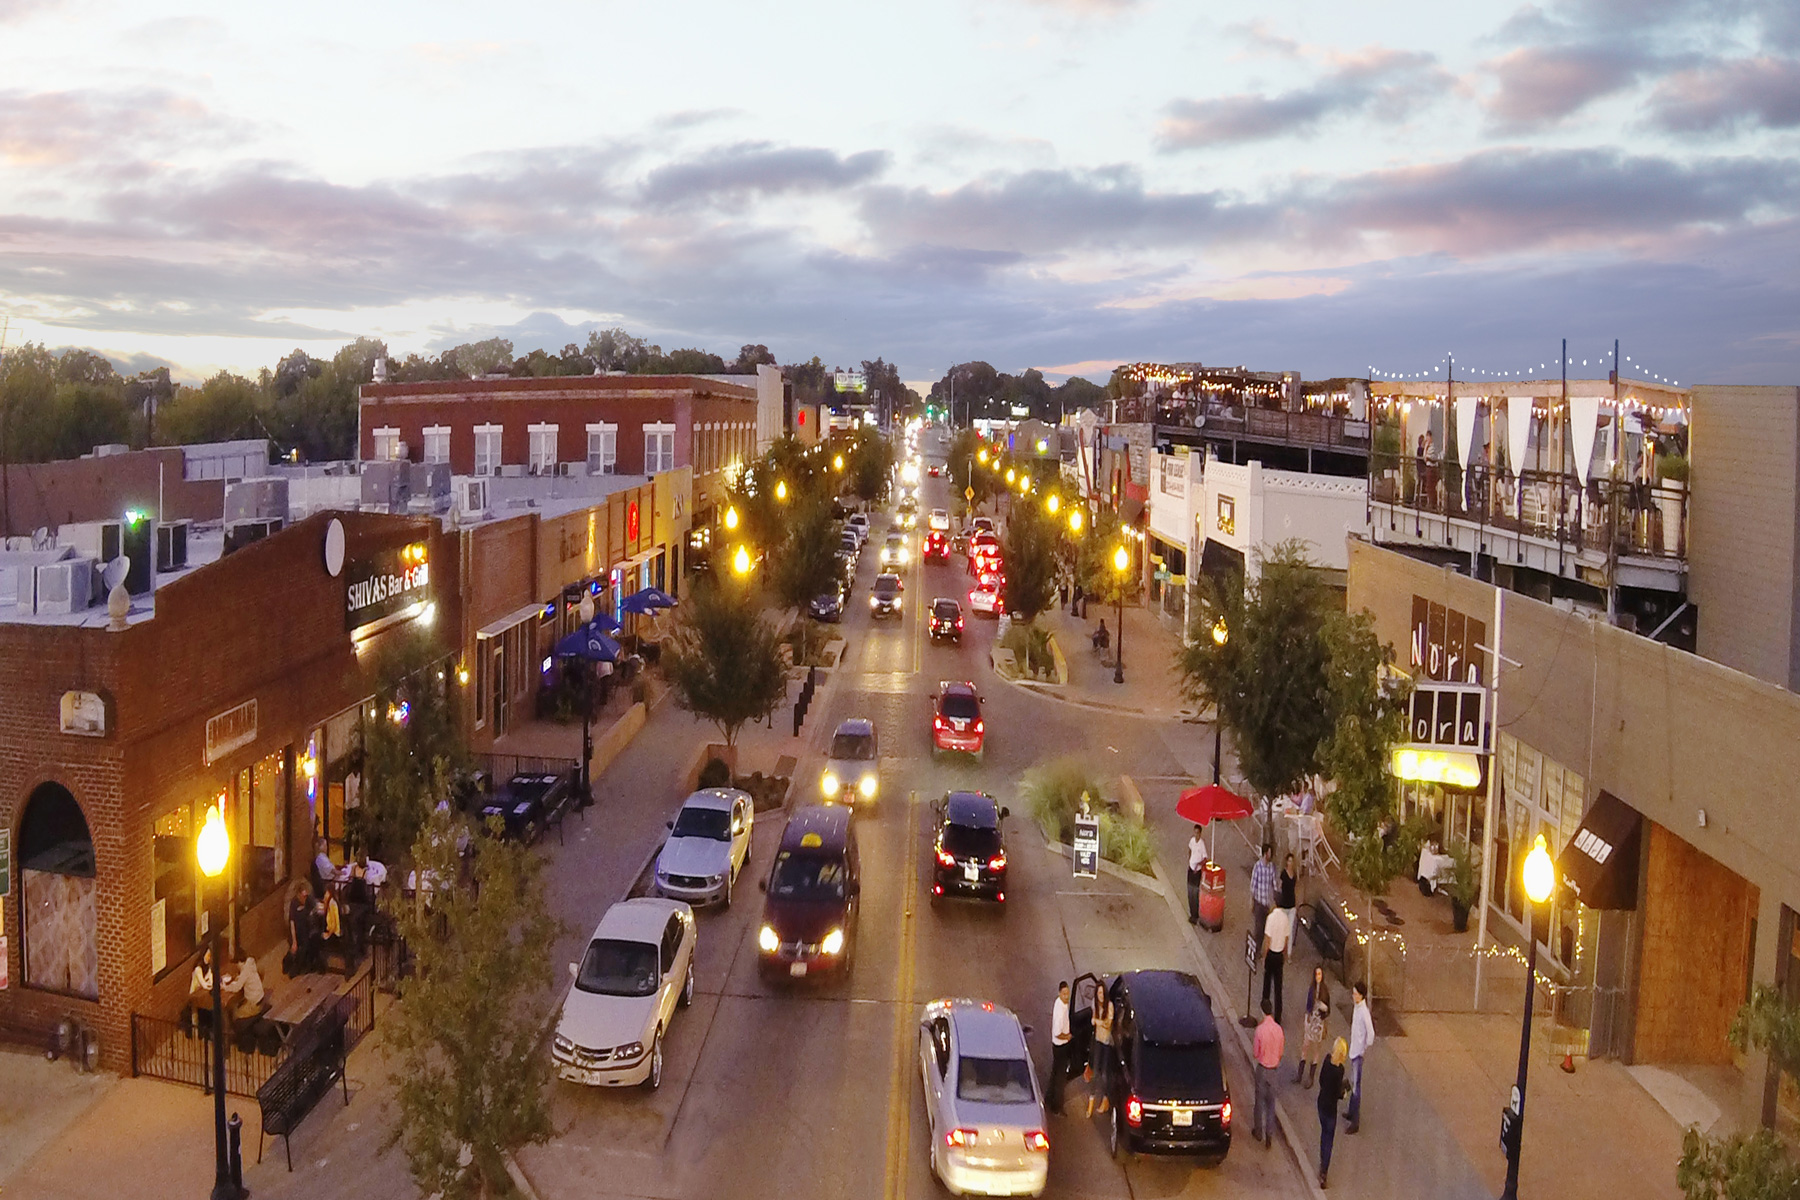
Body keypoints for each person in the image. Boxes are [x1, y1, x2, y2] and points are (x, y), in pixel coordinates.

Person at [1251, 999, 1284, 1148]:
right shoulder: (1279, 1030)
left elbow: (1255, 1053)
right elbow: (1281, 1051)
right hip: (1274, 1071)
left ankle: (1258, 1131)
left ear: (1262, 1011)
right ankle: (1269, 1134)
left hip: (1263, 1069)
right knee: (1271, 1104)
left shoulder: (1260, 1030)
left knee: (1259, 1102)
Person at [1318, 1038, 1349, 1188]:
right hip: (1331, 1109)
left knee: (1323, 1134)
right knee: (1329, 1138)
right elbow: (1337, 1093)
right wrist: (1344, 1094)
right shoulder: (1340, 1070)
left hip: (1321, 1103)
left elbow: (1321, 1080)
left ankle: (1321, 1160)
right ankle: (1324, 1170)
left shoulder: (1326, 1061)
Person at [1346, 982, 1375, 1134]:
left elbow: (1371, 1035)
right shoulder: (1357, 1008)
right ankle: (1351, 1112)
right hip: (1354, 1050)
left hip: (1357, 1053)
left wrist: (1363, 1048)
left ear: (1361, 995)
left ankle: (1355, 1122)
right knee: (1353, 1083)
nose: (1353, 995)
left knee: (1356, 1088)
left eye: (1355, 993)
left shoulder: (1363, 1012)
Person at [1297, 966, 1330, 1086]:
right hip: (1311, 1020)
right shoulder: (1312, 989)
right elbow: (1308, 1005)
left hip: (1319, 1022)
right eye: (1316, 974)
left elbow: (1328, 1010)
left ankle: (1311, 1077)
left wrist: (1323, 1007)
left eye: (1320, 974)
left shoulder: (1325, 991)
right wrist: (1307, 1018)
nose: (1318, 977)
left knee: (1316, 1049)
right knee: (1305, 1045)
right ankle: (1299, 1074)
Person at [1261, 899, 1293, 1024]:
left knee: (1267, 983)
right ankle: (1278, 1016)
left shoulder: (1271, 918)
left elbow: (1268, 939)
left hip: (1271, 954)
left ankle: (1265, 1010)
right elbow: (1286, 938)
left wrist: (1264, 956)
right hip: (1279, 954)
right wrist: (1284, 954)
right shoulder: (1285, 919)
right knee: (1278, 987)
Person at [1085, 990, 1113, 1118]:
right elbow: (1092, 1021)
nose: (1100, 996)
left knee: (1104, 1074)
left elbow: (1108, 1024)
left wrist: (1098, 1021)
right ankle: (1091, 1101)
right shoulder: (1094, 1004)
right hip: (1097, 1041)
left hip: (1106, 1043)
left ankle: (1105, 1099)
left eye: (1102, 993)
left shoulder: (1110, 1006)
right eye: (1098, 994)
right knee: (1095, 1072)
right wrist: (1096, 1021)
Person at [1049, 981, 1072, 1114]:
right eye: (1064, 993)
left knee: (1055, 1073)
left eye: (1067, 993)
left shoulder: (1059, 1002)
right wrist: (1067, 1037)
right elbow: (1058, 1033)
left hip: (1056, 1046)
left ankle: (1049, 1099)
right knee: (1060, 1078)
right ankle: (1057, 1106)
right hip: (1061, 1046)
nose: (1066, 996)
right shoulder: (1061, 1011)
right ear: (1059, 993)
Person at [1250, 844, 1277, 948]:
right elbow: (1253, 884)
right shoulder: (1257, 866)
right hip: (1258, 902)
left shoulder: (1271, 867)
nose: (1271, 855)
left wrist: (1274, 900)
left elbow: (1274, 884)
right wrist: (1251, 901)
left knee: (1265, 927)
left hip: (1267, 903)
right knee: (1258, 927)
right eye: (1269, 853)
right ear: (1266, 854)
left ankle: (1259, 946)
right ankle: (1255, 948)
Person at [235, 953, 266, 1020]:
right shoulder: (250, 963)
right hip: (259, 996)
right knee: (240, 1003)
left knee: (235, 1013)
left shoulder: (244, 972)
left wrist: (224, 986)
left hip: (255, 1004)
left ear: (239, 962)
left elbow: (236, 987)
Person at [1187, 824, 1207, 923]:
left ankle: (1195, 915)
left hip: (1197, 870)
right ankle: (1191, 913)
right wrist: (1190, 860)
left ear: (1200, 833)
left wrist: (1198, 865)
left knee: (1195, 892)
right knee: (1190, 891)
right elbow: (1190, 850)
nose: (1196, 835)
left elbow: (1205, 859)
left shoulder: (1202, 844)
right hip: (1191, 868)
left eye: (1198, 833)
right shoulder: (1192, 841)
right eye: (1195, 833)